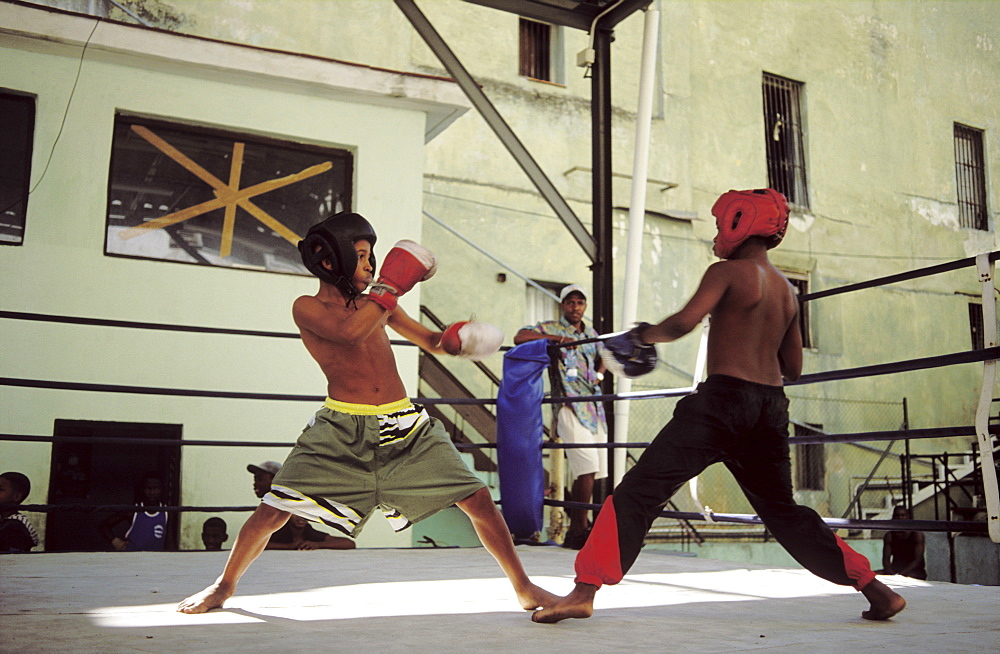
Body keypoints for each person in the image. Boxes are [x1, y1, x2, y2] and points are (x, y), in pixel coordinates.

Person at [533, 188, 905, 624]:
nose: (716, 232)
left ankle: (584, 591)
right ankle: (875, 589)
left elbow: (682, 323)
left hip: (722, 403)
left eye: (719, 224)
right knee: (785, 513)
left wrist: (642, 335)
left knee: (640, 490)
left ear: (738, 222)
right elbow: (795, 367)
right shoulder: (788, 291)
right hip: (770, 408)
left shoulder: (727, 272)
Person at [178, 211, 556, 613]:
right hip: (339, 429)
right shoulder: (307, 307)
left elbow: (428, 340)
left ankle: (524, 588)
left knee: (478, 498)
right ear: (331, 261)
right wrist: (390, 286)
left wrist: (457, 340)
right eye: (361, 256)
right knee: (274, 510)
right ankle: (224, 586)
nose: (371, 265)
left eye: (373, 256)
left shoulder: (377, 303)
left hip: (405, 425)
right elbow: (348, 332)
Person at [514, 284, 608, 549]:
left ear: (585, 306)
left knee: (598, 470)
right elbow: (520, 336)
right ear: (563, 305)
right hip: (568, 404)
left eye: (580, 302)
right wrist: (556, 341)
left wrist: (599, 374)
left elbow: (607, 356)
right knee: (587, 466)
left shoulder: (591, 333)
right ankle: (578, 530)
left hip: (594, 407)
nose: (575, 307)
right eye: (570, 302)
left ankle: (585, 529)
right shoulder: (552, 327)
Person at [101, 473, 170, 552]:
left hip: (155, 561)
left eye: (156, 488)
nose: (152, 492)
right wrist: (116, 542)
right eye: (148, 488)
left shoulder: (166, 512)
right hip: (133, 560)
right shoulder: (134, 511)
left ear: (162, 490)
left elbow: (170, 541)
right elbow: (104, 525)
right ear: (142, 489)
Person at [876, 505, 926, 580]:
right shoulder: (889, 535)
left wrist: (901, 574)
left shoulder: (917, 534)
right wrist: (890, 572)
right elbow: (886, 559)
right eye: (897, 516)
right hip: (895, 570)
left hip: (914, 571)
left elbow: (918, 560)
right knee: (872, 575)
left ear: (908, 517)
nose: (900, 518)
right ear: (893, 518)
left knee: (911, 577)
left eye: (903, 515)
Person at [266, 514, 357, 550]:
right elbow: (258, 543)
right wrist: (288, 546)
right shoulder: (279, 528)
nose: (301, 517)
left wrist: (318, 545)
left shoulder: (307, 531)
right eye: (296, 513)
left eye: (305, 514)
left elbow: (349, 543)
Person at [0, 471, 40, 553]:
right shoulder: (7, 523)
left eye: (0, 489)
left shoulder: (13, 527)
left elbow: (12, 561)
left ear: (17, 496)